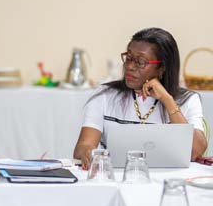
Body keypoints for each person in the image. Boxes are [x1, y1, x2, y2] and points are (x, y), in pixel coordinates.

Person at [74, 27, 207, 168]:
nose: (130, 66)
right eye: (128, 58)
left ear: (162, 68)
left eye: (140, 62)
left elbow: (195, 151)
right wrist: (87, 152)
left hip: (171, 177)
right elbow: (83, 146)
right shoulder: (105, 95)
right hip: (118, 176)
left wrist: (167, 100)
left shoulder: (188, 100)